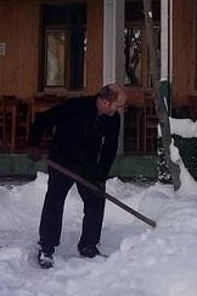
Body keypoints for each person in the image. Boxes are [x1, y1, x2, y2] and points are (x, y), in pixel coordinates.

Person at [27, 83, 126, 269]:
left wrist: (100, 175)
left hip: (87, 165)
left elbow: (109, 148)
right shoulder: (75, 106)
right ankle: (46, 247)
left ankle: (89, 245)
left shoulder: (113, 118)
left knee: (96, 199)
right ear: (106, 102)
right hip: (62, 160)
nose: (120, 109)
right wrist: (33, 143)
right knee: (54, 201)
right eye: (118, 105)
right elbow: (43, 119)